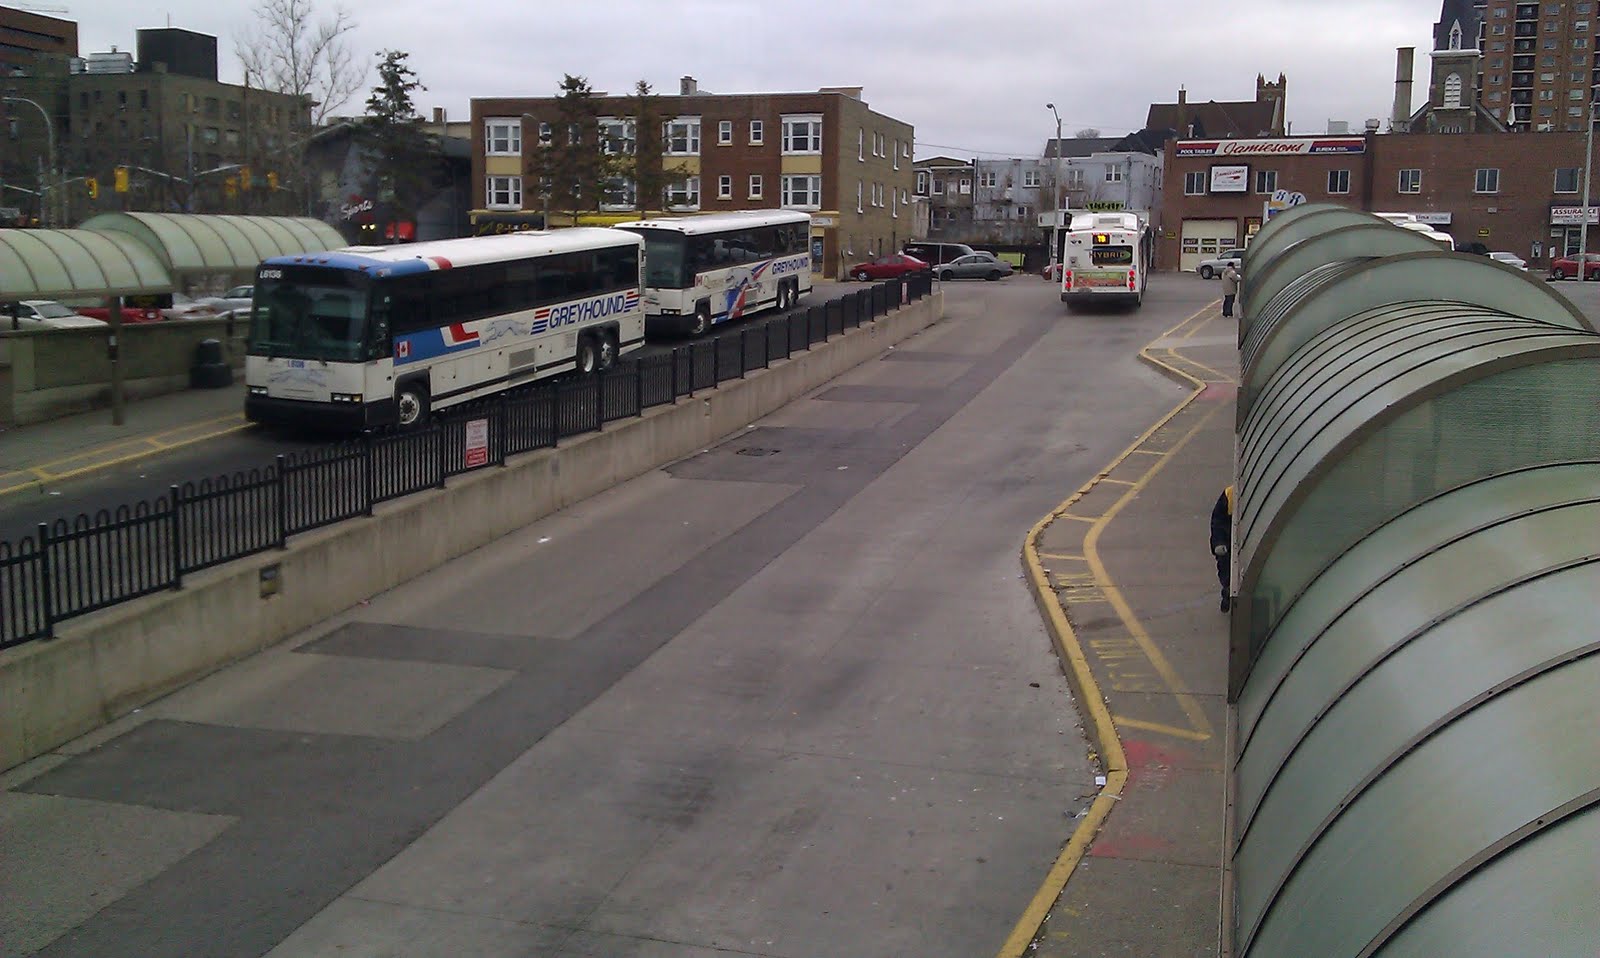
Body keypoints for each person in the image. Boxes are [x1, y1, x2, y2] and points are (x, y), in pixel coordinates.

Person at [1210, 485, 1234, 612]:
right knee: (1225, 567)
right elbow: (1217, 521)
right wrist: (1218, 543)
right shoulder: (1229, 495)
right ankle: (1227, 591)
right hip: (1228, 541)